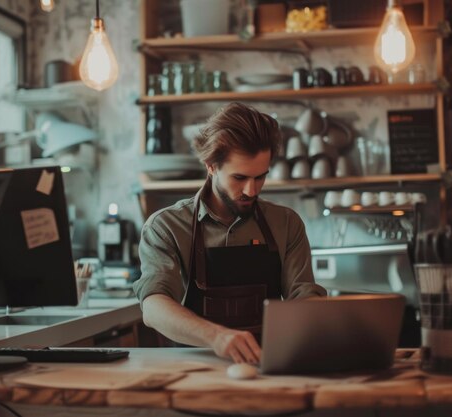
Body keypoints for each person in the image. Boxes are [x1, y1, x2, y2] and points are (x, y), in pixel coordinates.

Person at [134, 102, 326, 364]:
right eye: (240, 178)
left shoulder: (286, 223)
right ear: (211, 165)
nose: (252, 190)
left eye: (260, 177)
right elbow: (154, 307)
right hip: (192, 367)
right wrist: (216, 337)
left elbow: (303, 295)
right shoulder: (166, 227)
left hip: (266, 364)